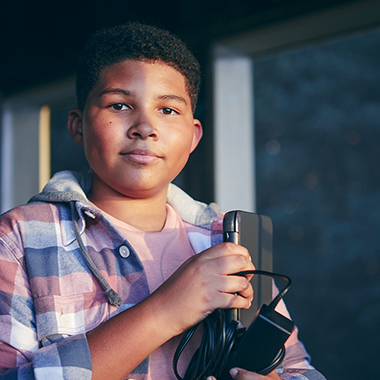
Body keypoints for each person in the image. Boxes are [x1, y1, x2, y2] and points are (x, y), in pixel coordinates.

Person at [0, 22, 326, 380]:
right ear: (78, 126)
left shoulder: (227, 243)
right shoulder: (20, 238)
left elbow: (300, 370)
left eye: (168, 110)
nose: (145, 126)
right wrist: (164, 311)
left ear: (193, 136)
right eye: (120, 105)